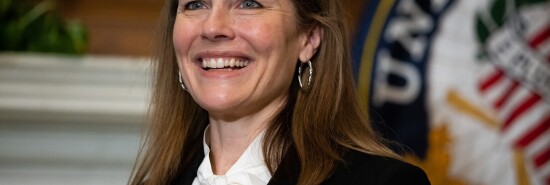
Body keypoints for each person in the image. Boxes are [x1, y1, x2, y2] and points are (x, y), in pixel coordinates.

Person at [130, 0, 430, 184]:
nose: (213, 27)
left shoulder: (384, 183)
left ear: (309, 37)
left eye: (249, 3)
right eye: (195, 4)